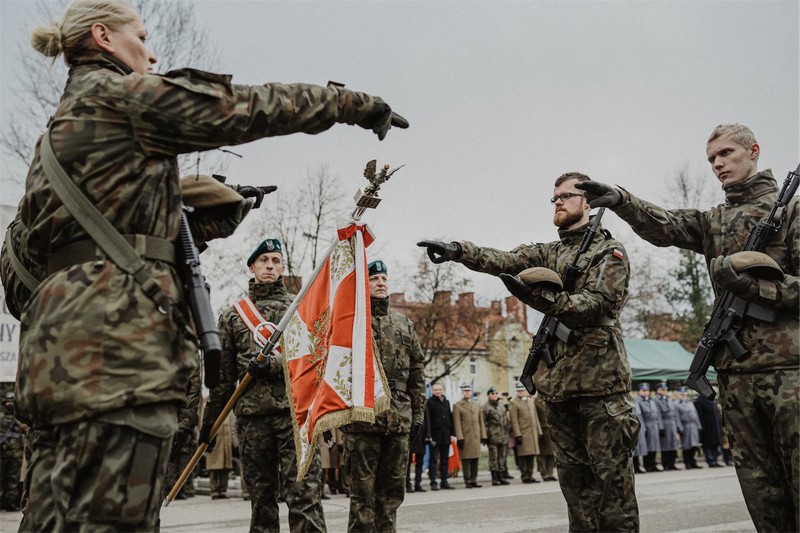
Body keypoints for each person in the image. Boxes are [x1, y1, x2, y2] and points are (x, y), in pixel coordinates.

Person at [14, 1, 409, 530]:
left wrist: (197, 226)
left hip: (50, 366)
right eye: (143, 36)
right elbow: (247, 107)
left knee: (51, 520)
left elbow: (23, 267)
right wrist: (352, 103)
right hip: (118, 364)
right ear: (104, 37)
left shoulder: (52, 141)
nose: (151, 53)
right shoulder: (121, 99)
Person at [576, 124, 798, 532]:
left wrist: (757, 287)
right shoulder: (714, 221)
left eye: (726, 153)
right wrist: (623, 201)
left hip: (790, 374)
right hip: (735, 376)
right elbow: (665, 225)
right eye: (712, 158)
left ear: (754, 151)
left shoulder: (792, 212)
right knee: (762, 495)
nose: (718, 164)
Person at [419, 171, 640, 531]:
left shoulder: (608, 252)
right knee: (576, 491)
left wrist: (547, 301)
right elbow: (506, 260)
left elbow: (598, 306)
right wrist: (459, 251)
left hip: (602, 390)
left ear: (588, 202)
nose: (558, 202)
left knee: (613, 491)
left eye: (566, 196)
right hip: (560, 391)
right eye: (554, 197)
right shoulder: (549, 252)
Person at [201, 238, 324, 532]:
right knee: (261, 500)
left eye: (275, 261)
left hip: (295, 418)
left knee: (304, 496)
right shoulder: (233, 316)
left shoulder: (300, 308)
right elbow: (222, 379)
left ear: (282, 267)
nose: (269, 266)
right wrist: (210, 423)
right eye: (264, 261)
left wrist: (274, 365)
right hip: (252, 421)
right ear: (252, 266)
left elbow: (314, 361)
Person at [341, 260, 426, 532]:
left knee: (392, 494)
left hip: (398, 419)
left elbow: (416, 371)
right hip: (362, 420)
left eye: (383, 278)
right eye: (373, 278)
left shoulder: (403, 324)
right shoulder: (351, 322)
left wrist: (418, 414)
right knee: (362, 495)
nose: (380, 282)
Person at [452, 383, 485, 488]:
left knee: (475, 458)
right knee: (466, 458)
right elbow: (457, 423)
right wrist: (460, 437)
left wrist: (483, 435)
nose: (467, 392)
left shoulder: (476, 405)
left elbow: (481, 421)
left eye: (469, 390)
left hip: (475, 436)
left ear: (471, 392)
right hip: (466, 436)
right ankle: (467, 480)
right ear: (462, 392)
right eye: (465, 391)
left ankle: (474, 479)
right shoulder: (458, 405)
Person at [509, 382, 542, 484]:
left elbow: (535, 417)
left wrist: (539, 431)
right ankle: (525, 476)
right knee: (523, 456)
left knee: (531, 455)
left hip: (532, 433)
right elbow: (514, 420)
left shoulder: (530, 401)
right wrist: (517, 434)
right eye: (518, 390)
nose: (520, 392)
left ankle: (530, 475)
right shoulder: (514, 403)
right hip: (523, 433)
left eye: (522, 390)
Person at [425, 383, 455, 490]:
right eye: (436, 390)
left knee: (445, 460)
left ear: (442, 390)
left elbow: (450, 418)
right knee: (433, 460)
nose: (438, 391)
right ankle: (433, 482)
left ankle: (444, 481)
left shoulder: (446, 402)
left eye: (439, 389)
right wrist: (428, 435)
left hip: (445, 435)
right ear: (433, 391)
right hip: (434, 436)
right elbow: (427, 419)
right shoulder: (429, 402)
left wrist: (452, 433)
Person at [481, 387, 510, 487]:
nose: (494, 395)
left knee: (502, 457)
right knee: (494, 458)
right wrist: (484, 435)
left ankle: (501, 476)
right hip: (492, 436)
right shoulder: (485, 407)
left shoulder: (501, 406)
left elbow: (506, 419)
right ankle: (495, 477)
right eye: (492, 393)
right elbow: (484, 423)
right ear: (488, 395)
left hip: (503, 435)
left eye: (496, 393)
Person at [0, 390, 24, 512]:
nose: (9, 404)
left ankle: (10, 501)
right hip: (2, 452)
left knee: (13, 478)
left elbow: (26, 431)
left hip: (15, 453)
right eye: (7, 402)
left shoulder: (20, 419)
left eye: (11, 402)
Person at [205, 412, 233, 500]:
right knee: (213, 469)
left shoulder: (230, 412)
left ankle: (223, 491)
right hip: (214, 445)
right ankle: (214, 492)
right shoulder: (211, 410)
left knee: (225, 468)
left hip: (226, 445)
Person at [674, 387, 703, 469]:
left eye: (684, 394)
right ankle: (687, 462)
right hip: (685, 426)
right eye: (681, 394)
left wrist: (699, 425)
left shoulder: (690, 403)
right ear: (678, 395)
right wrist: (680, 428)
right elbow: (677, 417)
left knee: (694, 445)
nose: (683, 396)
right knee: (686, 446)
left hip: (693, 426)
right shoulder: (676, 404)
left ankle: (693, 461)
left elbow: (695, 415)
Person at [636, 383, 662, 472]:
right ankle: (646, 465)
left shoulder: (652, 401)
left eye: (647, 390)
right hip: (645, 426)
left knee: (654, 446)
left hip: (654, 425)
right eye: (643, 390)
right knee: (645, 446)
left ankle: (652, 464)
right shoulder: (638, 402)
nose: (646, 392)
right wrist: (643, 428)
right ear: (639, 392)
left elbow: (657, 414)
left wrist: (660, 426)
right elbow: (640, 416)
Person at [655, 383, 680, 470]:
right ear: (658, 390)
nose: (664, 391)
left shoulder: (669, 400)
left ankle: (672, 464)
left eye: (665, 390)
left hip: (672, 424)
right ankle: (665, 464)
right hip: (665, 425)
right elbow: (658, 415)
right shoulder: (656, 401)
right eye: (662, 390)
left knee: (673, 445)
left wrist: (677, 427)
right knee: (665, 445)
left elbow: (675, 414)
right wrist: (661, 427)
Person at [694, 395, 723, 468]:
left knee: (715, 444)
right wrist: (701, 427)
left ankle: (715, 460)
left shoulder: (712, 399)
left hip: (715, 426)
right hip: (706, 427)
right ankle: (711, 460)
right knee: (707, 445)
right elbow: (699, 415)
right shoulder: (700, 401)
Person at [534, 393, 557, 482]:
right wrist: (538, 431)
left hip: (551, 429)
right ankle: (544, 473)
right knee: (542, 453)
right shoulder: (536, 402)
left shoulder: (550, 398)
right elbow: (535, 417)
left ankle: (550, 472)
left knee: (551, 453)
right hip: (542, 430)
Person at [632, 391, 648, 474]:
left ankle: (638, 466)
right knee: (634, 449)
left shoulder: (637, 402)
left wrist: (644, 428)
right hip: (632, 428)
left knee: (639, 448)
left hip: (639, 427)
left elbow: (641, 417)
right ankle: (635, 466)